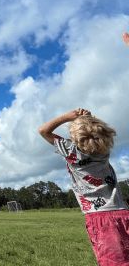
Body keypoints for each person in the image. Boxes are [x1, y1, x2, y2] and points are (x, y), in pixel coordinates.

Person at [38, 108, 129, 266]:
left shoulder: (71, 151)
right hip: (123, 210)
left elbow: (43, 130)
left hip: (100, 217)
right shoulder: (104, 149)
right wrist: (89, 120)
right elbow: (97, 133)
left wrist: (68, 117)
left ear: (74, 138)